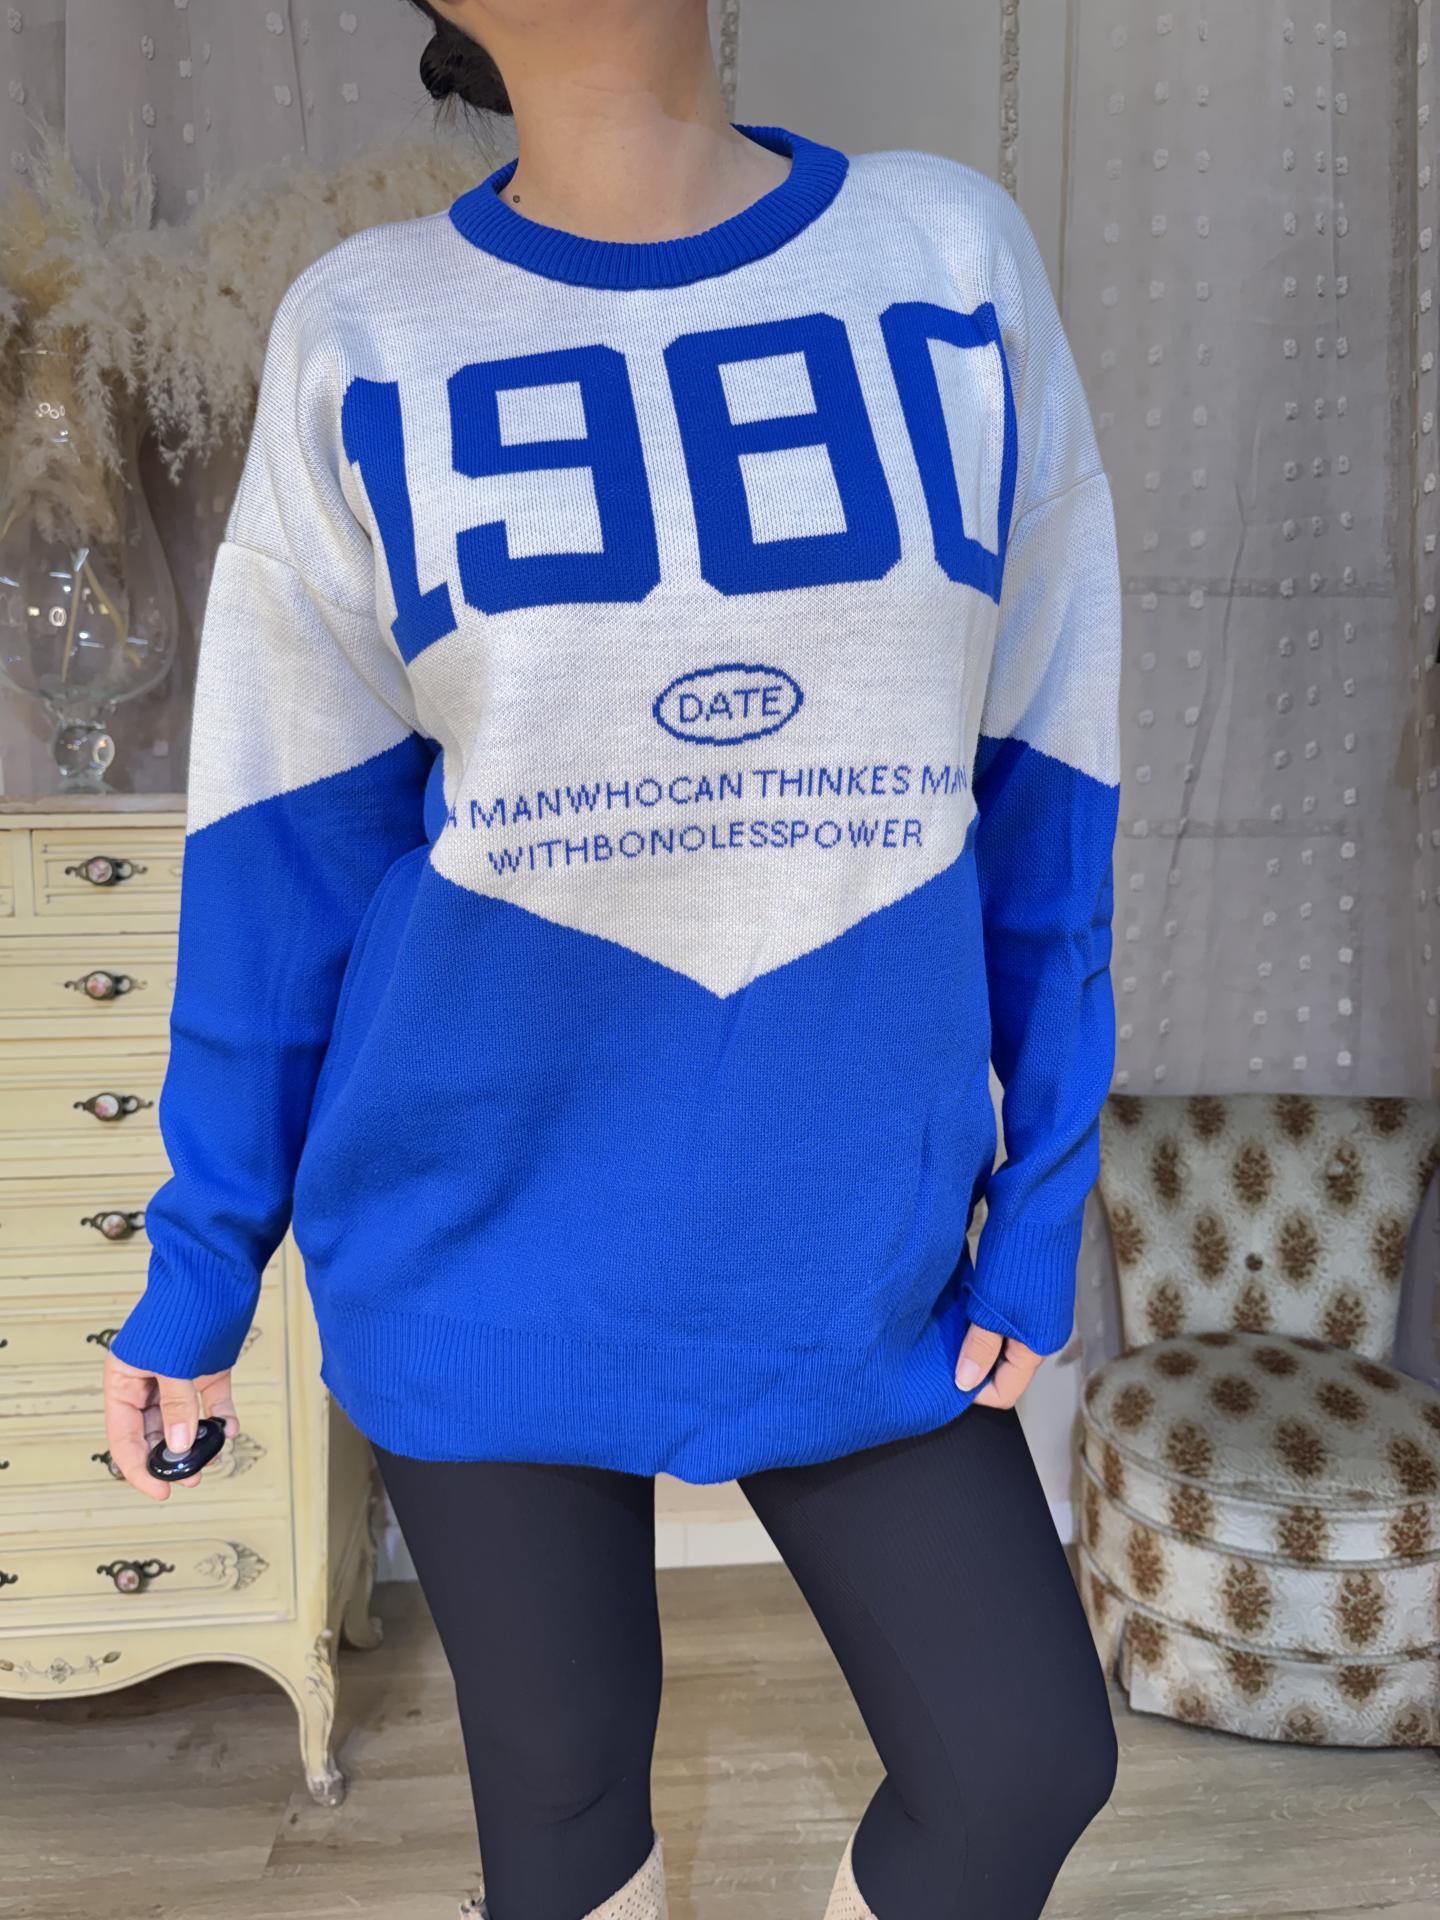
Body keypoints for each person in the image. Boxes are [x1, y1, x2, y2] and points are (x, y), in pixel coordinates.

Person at [103, 3, 1124, 1915]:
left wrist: (1045, 1185)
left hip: (852, 1229)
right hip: (474, 1225)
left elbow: (1047, 771)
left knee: (1024, 1762)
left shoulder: (944, 258)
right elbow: (281, 859)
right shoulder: (365, 330)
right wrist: (200, 1262)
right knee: (564, 1821)